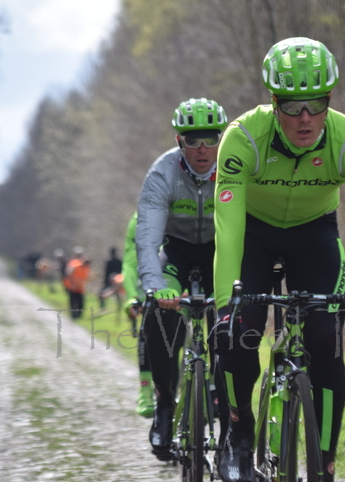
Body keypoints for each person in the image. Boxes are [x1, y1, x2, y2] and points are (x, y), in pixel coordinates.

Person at [211, 37, 345, 482]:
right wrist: (226, 306)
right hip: (253, 235)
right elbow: (228, 230)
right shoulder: (242, 138)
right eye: (292, 107)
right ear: (274, 103)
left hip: (315, 235)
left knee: (326, 340)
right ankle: (238, 434)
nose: (305, 119)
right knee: (240, 335)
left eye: (316, 104)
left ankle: (324, 464)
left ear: (330, 100)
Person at [136, 97, 229, 461]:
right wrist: (154, 286)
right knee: (160, 314)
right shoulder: (162, 173)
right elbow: (147, 238)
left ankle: (230, 412)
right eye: (193, 140)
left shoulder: (234, 167)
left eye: (211, 139)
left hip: (219, 252)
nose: (203, 149)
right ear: (179, 141)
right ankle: (164, 403)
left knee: (231, 325)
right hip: (176, 251)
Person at [120, 212, 153, 418]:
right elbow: (130, 264)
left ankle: (211, 389)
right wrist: (132, 297)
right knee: (148, 331)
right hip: (152, 287)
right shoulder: (141, 217)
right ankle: (146, 390)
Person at [63, 247, 91, 319]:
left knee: (81, 303)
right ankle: (73, 314)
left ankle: (79, 315)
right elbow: (68, 274)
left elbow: (87, 278)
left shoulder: (87, 268)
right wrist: (71, 284)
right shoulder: (75, 264)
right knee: (73, 301)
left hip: (80, 288)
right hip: (73, 287)